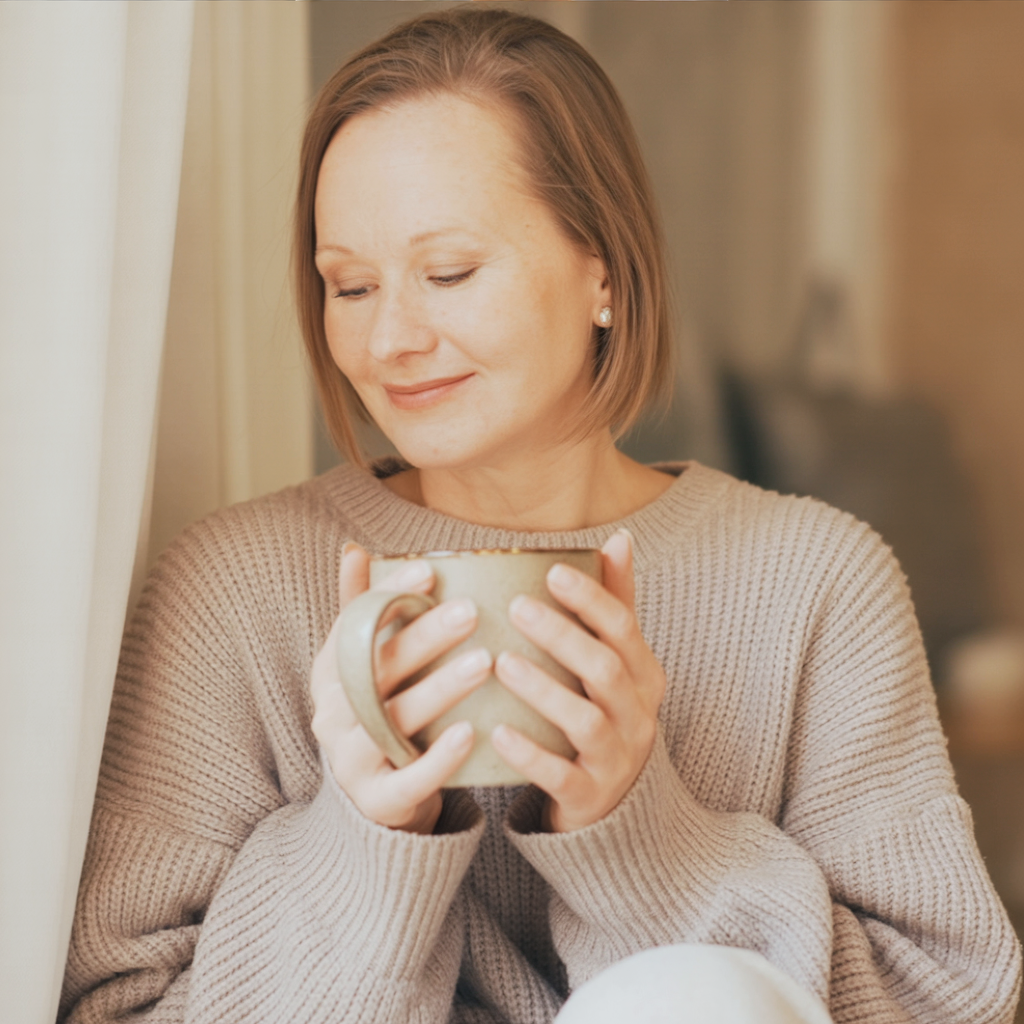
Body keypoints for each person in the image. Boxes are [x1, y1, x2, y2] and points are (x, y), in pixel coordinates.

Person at [60, 8, 1020, 1024]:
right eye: (348, 285)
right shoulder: (234, 587)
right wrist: (362, 841)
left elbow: (953, 1002)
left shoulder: (816, 581)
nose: (389, 338)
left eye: (450, 273)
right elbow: (117, 1007)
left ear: (600, 269)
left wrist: (637, 830)